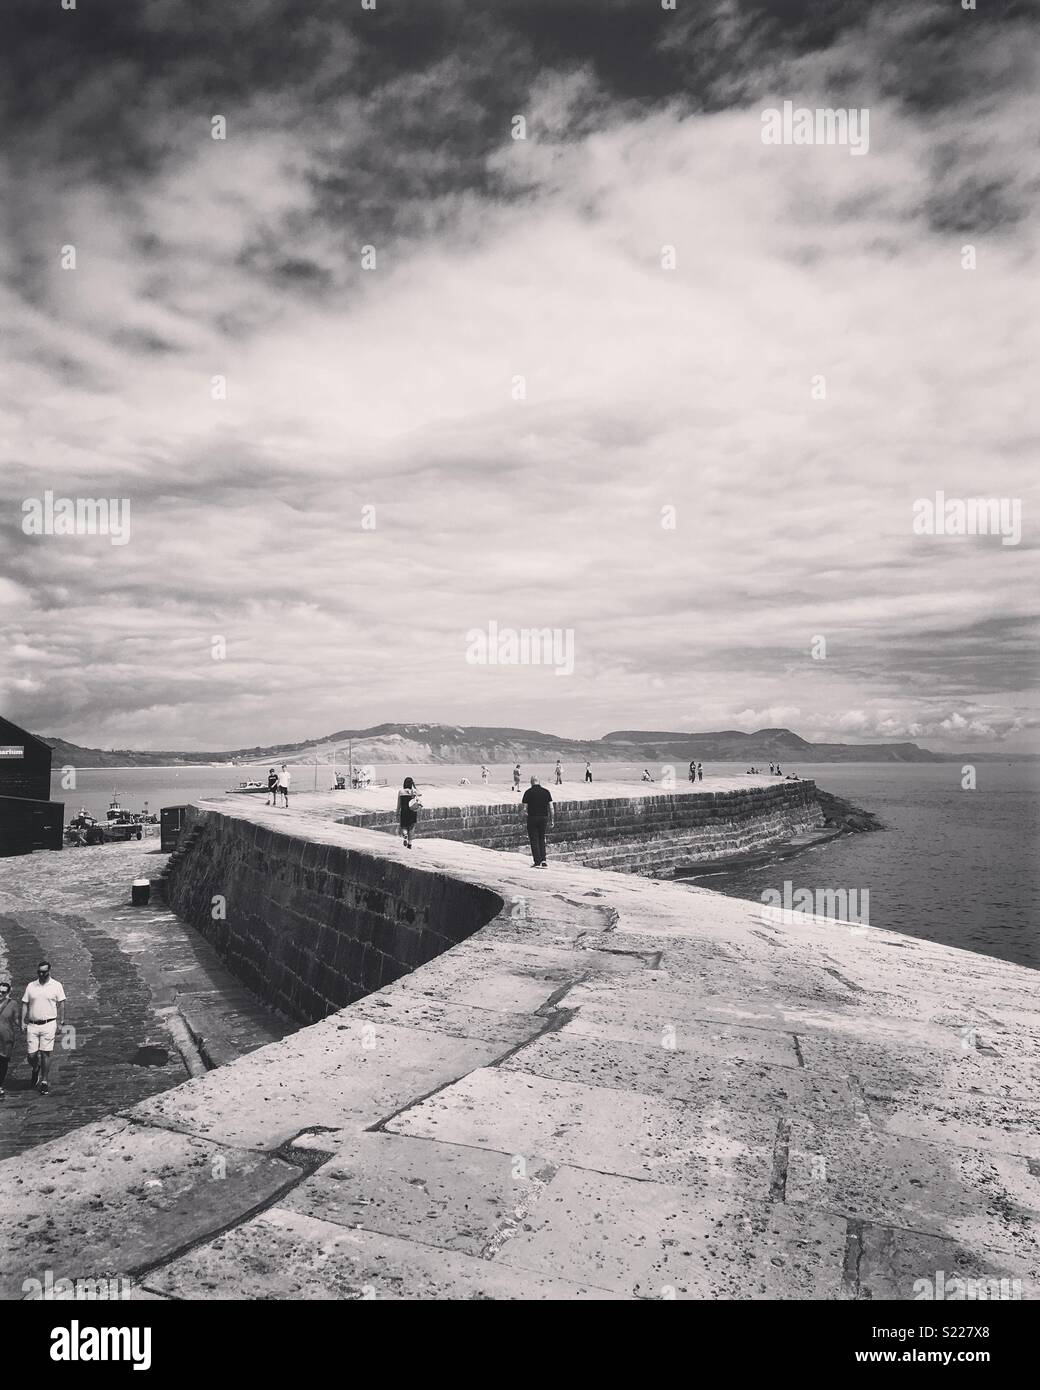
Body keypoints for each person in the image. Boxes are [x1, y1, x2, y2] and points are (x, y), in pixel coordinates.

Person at [21, 961, 66, 1095]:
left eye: (44, 972)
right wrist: (22, 1021)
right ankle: (36, 1067)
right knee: (31, 1054)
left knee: (45, 1053)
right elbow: (24, 1004)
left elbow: (62, 1003)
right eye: (39, 972)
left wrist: (61, 1021)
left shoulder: (56, 985)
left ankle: (44, 1081)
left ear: (49, 971)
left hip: (49, 1023)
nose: (41, 974)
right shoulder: (31, 986)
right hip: (33, 1024)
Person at [521, 776, 554, 867]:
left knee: (534, 839)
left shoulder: (528, 792)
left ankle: (537, 861)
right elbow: (551, 808)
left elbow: (524, 809)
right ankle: (544, 860)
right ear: (539, 782)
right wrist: (552, 820)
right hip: (544, 818)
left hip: (532, 817)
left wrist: (526, 815)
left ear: (531, 782)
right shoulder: (546, 792)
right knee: (541, 838)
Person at [0, 981, 18, 1098]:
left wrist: (24, 1026)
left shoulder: (13, 1004)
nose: (0, 994)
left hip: (6, 1037)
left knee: (3, 1061)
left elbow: (16, 1020)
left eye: (3, 992)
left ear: (8, 992)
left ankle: (0, 1084)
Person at [397, 776, 421, 849]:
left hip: (404, 811)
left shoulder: (401, 792)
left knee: (403, 826)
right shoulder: (413, 792)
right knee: (411, 828)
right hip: (412, 811)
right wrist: (414, 786)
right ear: (411, 784)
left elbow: (399, 803)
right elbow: (420, 794)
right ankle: (409, 844)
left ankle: (405, 834)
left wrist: (397, 811)